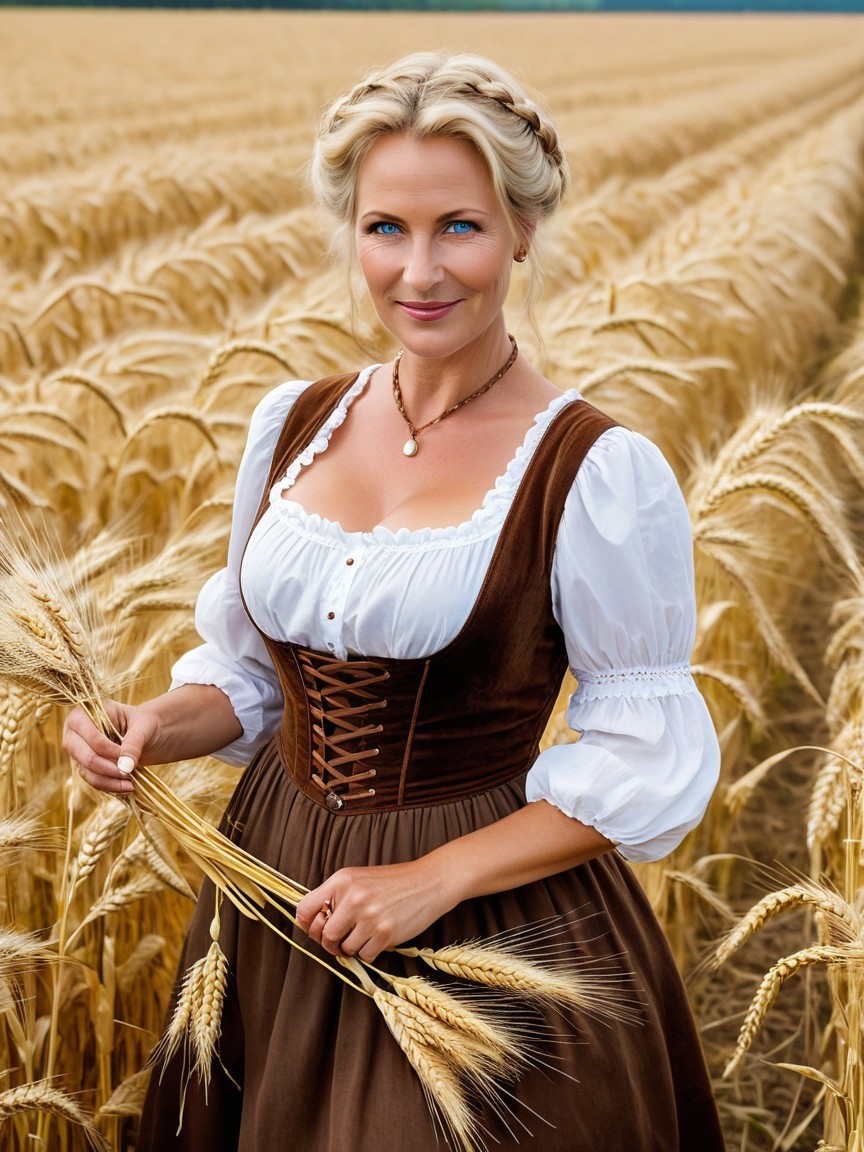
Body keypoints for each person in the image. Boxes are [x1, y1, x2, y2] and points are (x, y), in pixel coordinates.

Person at [63, 51, 724, 1152]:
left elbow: (639, 751)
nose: (420, 271)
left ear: (522, 228)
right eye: (385, 229)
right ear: (352, 232)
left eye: (459, 227)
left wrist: (429, 882)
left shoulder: (592, 472)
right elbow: (250, 677)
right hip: (274, 885)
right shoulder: (293, 424)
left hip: (485, 918)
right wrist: (155, 727)